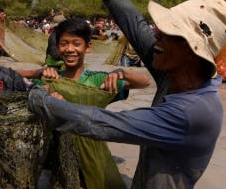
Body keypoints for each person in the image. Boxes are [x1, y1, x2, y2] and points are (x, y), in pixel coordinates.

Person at [28, 0, 226, 188]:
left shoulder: (193, 113)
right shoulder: (175, 73)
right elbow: (135, 24)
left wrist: (38, 98)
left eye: (167, 32)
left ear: (191, 50)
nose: (156, 34)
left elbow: (101, 124)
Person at [18, 18, 150, 189]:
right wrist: (37, 72)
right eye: (64, 44)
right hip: (56, 157)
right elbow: (6, 76)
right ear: (57, 48)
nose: (70, 49)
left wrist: (122, 72)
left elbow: (144, 83)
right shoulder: (50, 80)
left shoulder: (98, 81)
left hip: (93, 156)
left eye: (76, 44)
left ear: (88, 47)